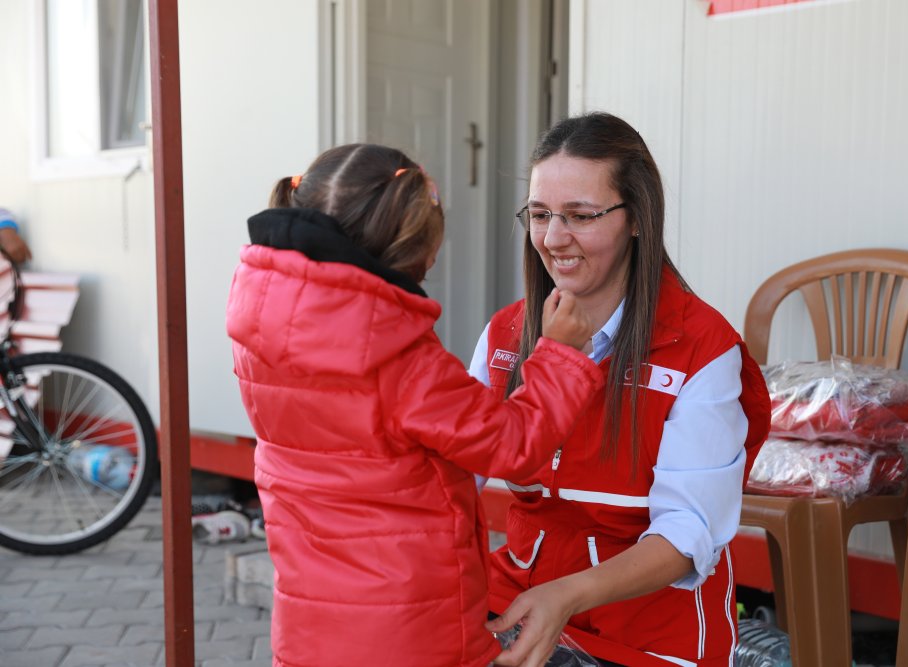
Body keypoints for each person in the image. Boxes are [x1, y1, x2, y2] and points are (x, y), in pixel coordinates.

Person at [225, 143, 606, 667]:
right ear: (408, 247)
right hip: (408, 627)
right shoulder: (394, 353)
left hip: (311, 620)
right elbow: (513, 445)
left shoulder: (263, 329)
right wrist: (560, 354)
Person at [469, 113, 772, 667]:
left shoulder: (701, 348)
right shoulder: (504, 336)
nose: (554, 239)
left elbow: (688, 534)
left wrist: (568, 594)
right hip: (519, 601)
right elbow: (452, 476)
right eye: (540, 215)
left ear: (637, 218)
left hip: (650, 631)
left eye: (581, 216)